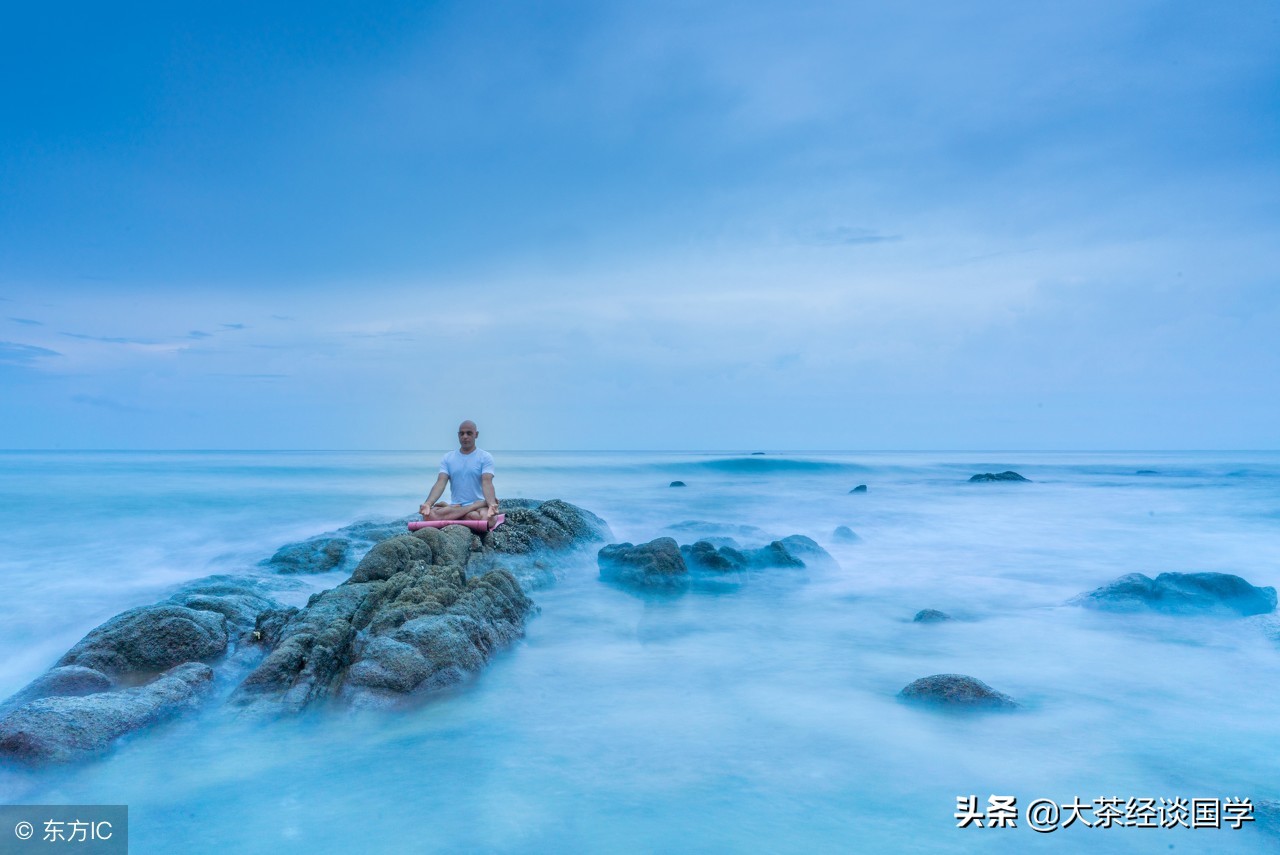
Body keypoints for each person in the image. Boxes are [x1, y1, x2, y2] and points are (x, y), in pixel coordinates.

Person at [419, 420, 500, 526]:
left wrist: (491, 505)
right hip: (457, 505)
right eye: (461, 433)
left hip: (479, 508)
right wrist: (428, 504)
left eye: (469, 433)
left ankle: (456, 511)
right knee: (427, 516)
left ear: (476, 435)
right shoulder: (448, 458)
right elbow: (440, 483)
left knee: (488, 520)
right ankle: (470, 508)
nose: (465, 436)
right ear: (458, 435)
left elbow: (487, 483)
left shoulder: (485, 457)